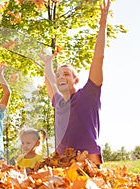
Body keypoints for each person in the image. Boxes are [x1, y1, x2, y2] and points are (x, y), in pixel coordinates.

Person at [39, 0, 111, 167]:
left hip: (88, 162)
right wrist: (48, 63)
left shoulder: (89, 94)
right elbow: (49, 81)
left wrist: (103, 24)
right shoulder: (58, 102)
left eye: (66, 74)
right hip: (63, 162)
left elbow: (98, 58)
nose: (60, 78)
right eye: (58, 76)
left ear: (75, 79)